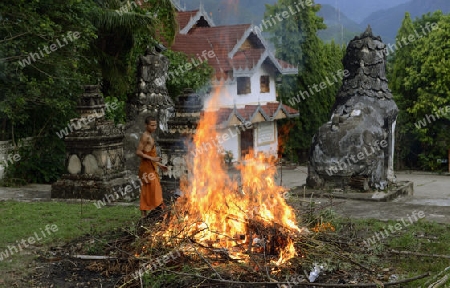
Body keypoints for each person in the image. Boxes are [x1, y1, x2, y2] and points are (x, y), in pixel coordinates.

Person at [136, 116, 168, 218]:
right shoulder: (145, 136)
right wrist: (153, 159)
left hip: (151, 167)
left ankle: (144, 216)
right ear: (146, 125)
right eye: (152, 125)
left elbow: (151, 156)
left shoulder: (150, 135)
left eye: (155, 125)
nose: (154, 127)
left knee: (148, 190)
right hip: (146, 169)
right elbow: (138, 152)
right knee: (154, 190)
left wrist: (159, 164)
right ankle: (158, 212)